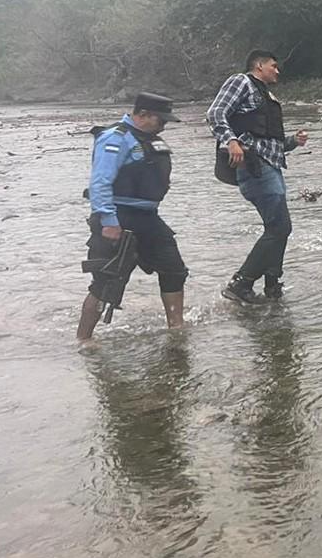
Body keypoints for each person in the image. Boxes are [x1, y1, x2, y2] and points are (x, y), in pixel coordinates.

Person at [76, 93, 187, 340]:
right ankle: (84, 340)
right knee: (106, 281)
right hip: (118, 217)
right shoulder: (115, 139)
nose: (164, 126)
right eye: (161, 120)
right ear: (143, 115)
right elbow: (100, 183)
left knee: (174, 270)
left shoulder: (150, 140)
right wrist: (109, 221)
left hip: (148, 217)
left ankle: (177, 329)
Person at [206, 49, 309, 304]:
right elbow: (215, 113)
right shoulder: (241, 81)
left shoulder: (267, 95)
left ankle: (272, 284)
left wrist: (293, 141)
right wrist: (230, 141)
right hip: (254, 166)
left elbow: (271, 141)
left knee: (278, 228)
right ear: (259, 65)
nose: (277, 70)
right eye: (273, 65)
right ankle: (241, 283)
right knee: (280, 227)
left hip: (270, 165)